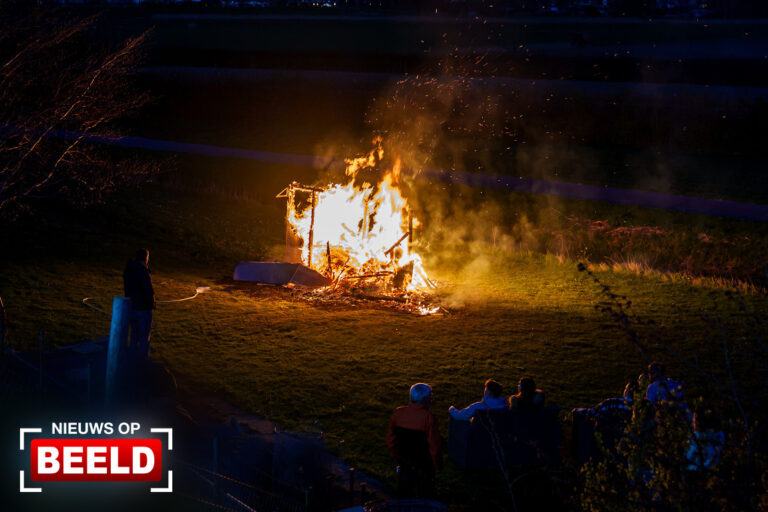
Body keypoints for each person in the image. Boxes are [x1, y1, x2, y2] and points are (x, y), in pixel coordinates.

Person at [386, 383, 441, 498]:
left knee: (404, 494)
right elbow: (434, 446)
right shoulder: (428, 418)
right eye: (431, 397)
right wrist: (437, 464)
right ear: (425, 399)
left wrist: (398, 456)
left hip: (404, 463)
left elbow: (391, 440)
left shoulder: (398, 413)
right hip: (424, 466)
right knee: (425, 495)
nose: (432, 400)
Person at [123, 248, 155, 360]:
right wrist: (152, 302)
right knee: (144, 337)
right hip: (143, 308)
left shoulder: (129, 269)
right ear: (146, 258)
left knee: (134, 335)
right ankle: (142, 361)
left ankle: (131, 359)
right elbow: (148, 289)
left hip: (132, 306)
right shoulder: (142, 270)